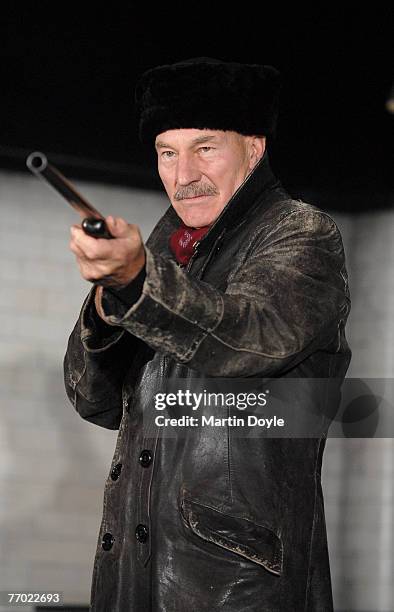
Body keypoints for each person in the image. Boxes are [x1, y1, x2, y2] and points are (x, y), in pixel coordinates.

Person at [64, 57, 351, 611]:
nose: (183, 173)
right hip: (130, 580)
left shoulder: (300, 234)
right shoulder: (162, 255)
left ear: (255, 147)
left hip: (235, 587)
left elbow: (248, 338)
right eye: (167, 153)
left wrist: (137, 281)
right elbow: (91, 398)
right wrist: (106, 306)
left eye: (205, 148)